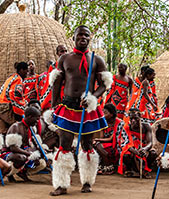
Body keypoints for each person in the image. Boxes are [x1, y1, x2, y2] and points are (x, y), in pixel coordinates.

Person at [50, 25, 112, 196]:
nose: (83, 37)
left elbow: (104, 84)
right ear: (74, 38)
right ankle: (61, 184)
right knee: (64, 144)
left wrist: (93, 97)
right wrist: (54, 104)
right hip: (68, 105)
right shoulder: (65, 59)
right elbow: (57, 82)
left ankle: (87, 182)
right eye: (80, 35)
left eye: (86, 35)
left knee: (86, 145)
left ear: (89, 38)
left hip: (88, 107)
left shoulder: (97, 60)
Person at [3, 107, 47, 182]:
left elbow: (34, 145)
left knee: (42, 162)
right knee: (21, 157)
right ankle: (9, 174)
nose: (37, 121)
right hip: (11, 154)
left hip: (24, 152)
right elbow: (13, 148)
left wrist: (42, 154)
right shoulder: (16, 127)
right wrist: (30, 154)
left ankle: (22, 173)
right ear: (30, 117)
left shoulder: (32, 129)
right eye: (36, 119)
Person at [93, 104, 131, 175]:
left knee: (99, 145)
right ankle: (105, 165)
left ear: (112, 115)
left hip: (116, 144)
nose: (103, 115)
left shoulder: (119, 123)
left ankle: (109, 166)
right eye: (103, 112)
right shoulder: (103, 122)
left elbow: (112, 138)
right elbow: (102, 137)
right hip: (106, 143)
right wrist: (97, 140)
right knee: (96, 145)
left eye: (105, 113)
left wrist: (97, 139)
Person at [119, 109, 156, 178]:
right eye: (131, 119)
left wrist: (145, 149)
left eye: (135, 118)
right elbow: (126, 144)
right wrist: (135, 151)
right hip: (132, 148)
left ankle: (146, 170)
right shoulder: (127, 127)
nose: (133, 120)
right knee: (125, 155)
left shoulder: (146, 126)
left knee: (153, 153)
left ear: (140, 117)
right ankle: (130, 170)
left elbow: (150, 142)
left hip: (143, 146)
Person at [0, 62, 28, 134]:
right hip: (6, 107)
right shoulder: (18, 80)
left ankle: (3, 144)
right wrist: (22, 109)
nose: (27, 73)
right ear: (21, 70)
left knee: (3, 130)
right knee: (14, 128)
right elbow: (15, 95)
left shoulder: (11, 78)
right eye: (26, 70)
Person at [40, 45, 68, 110]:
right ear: (57, 53)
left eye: (65, 51)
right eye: (62, 51)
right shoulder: (53, 67)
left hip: (68, 94)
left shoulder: (71, 65)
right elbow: (49, 83)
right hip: (57, 94)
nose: (64, 53)